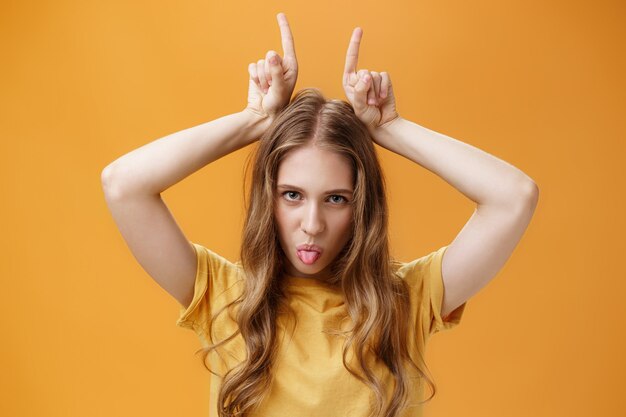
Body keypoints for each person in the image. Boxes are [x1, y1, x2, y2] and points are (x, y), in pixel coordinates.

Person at [101, 12, 539, 417]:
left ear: (361, 206)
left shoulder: (404, 302)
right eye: (292, 195)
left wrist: (389, 128)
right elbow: (123, 184)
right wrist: (253, 121)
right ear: (267, 200)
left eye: (336, 199)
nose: (312, 224)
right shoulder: (224, 297)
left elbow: (513, 196)